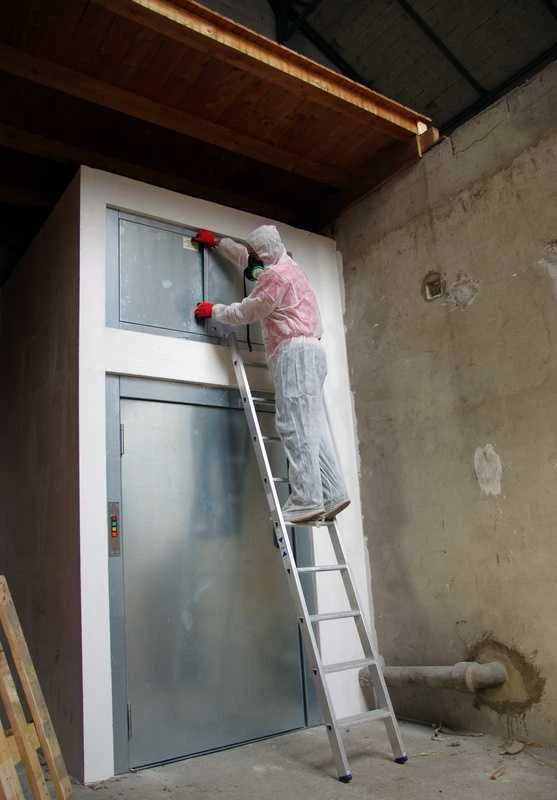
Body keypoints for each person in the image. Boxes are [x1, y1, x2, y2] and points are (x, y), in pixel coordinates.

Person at [193, 224, 350, 525]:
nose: (251, 257)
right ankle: (332, 492)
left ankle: (306, 500)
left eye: (255, 253)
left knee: (295, 427)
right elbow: (247, 259)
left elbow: (248, 311)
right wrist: (219, 243)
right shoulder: (288, 266)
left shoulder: (275, 277)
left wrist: (215, 311)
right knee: (313, 427)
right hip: (313, 353)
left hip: (295, 354)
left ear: (264, 252)